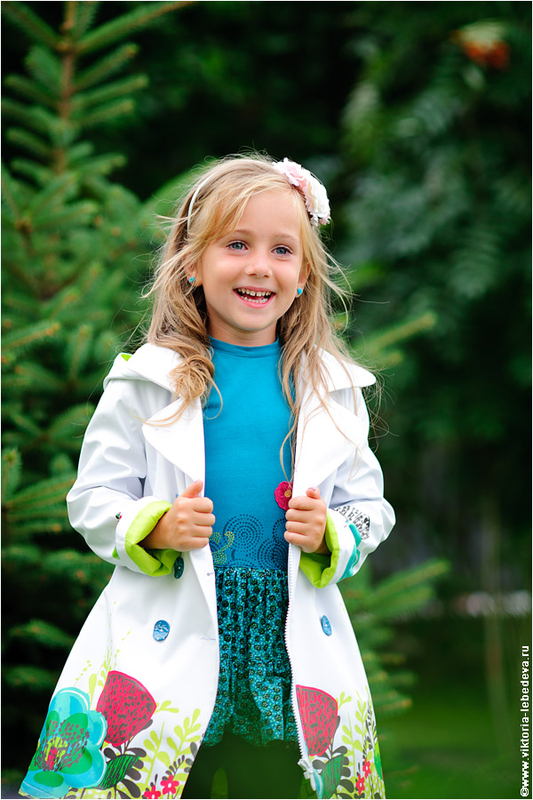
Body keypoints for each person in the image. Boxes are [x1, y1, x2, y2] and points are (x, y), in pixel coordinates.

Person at [20, 154, 395, 800]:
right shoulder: (147, 381)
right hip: (170, 638)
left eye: (282, 249)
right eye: (236, 244)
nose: (259, 266)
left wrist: (332, 532)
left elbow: (370, 506)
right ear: (192, 263)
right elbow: (93, 496)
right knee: (156, 780)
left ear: (304, 275)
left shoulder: (330, 391)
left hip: (285, 651)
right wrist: (155, 526)